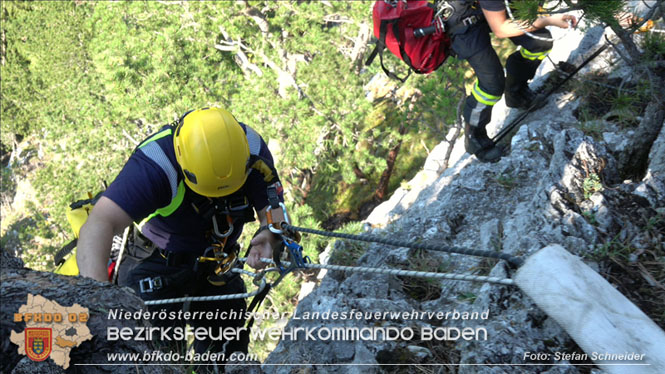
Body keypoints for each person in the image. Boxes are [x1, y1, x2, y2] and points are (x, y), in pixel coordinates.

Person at [77, 107, 287, 368]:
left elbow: (273, 209)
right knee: (154, 361)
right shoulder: (156, 164)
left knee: (225, 358)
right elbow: (99, 223)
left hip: (219, 264)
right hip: (155, 264)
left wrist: (269, 236)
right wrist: (99, 307)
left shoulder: (250, 149)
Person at [448, 0, 578, 162]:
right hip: (462, 20)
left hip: (485, 8)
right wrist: (548, 20)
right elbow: (501, 29)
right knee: (492, 85)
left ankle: (516, 94)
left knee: (540, 43)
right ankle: (474, 136)